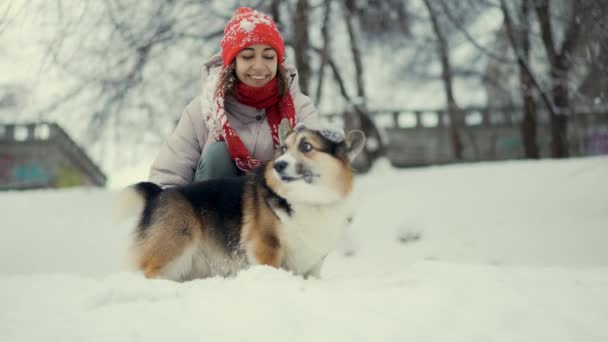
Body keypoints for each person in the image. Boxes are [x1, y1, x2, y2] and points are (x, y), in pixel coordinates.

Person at [149, 7, 318, 188]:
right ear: (233, 63)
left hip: (277, 209)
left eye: (268, 56)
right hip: (214, 210)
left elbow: (320, 167)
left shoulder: (299, 107)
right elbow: (167, 178)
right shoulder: (201, 110)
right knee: (217, 154)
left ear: (278, 61)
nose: (259, 66)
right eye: (247, 56)